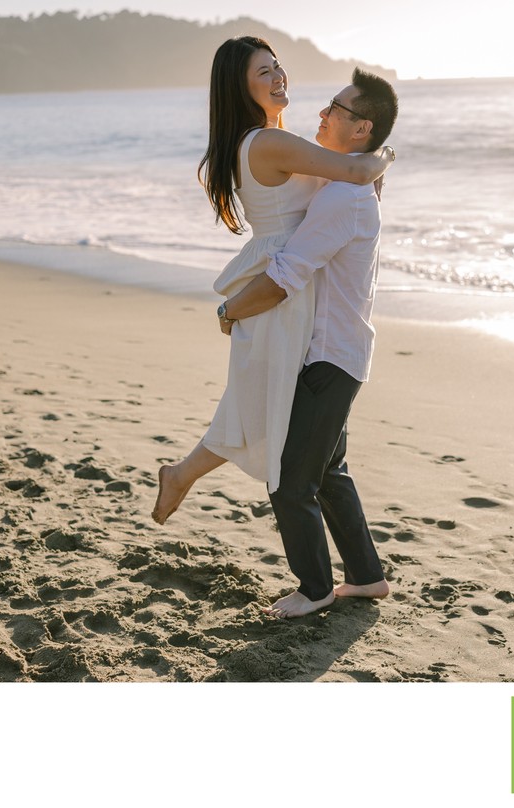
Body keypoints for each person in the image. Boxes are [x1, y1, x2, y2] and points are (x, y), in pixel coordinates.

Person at [151, 36, 394, 524]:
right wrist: (386, 153)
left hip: (288, 273)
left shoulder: (272, 138)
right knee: (262, 403)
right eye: (264, 73)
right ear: (240, 88)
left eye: (277, 66)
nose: (278, 76)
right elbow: (353, 168)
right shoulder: (269, 141)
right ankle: (180, 475)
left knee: (263, 400)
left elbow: (343, 180)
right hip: (283, 280)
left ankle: (181, 474)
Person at [216, 67, 399, 618]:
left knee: (290, 482)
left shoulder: (343, 198)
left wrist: (230, 308)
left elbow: (285, 275)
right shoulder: (344, 185)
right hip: (337, 351)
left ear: (361, 128)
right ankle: (365, 577)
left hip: (330, 357)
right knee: (328, 471)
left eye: (335, 110)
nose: (321, 115)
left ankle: (315, 588)